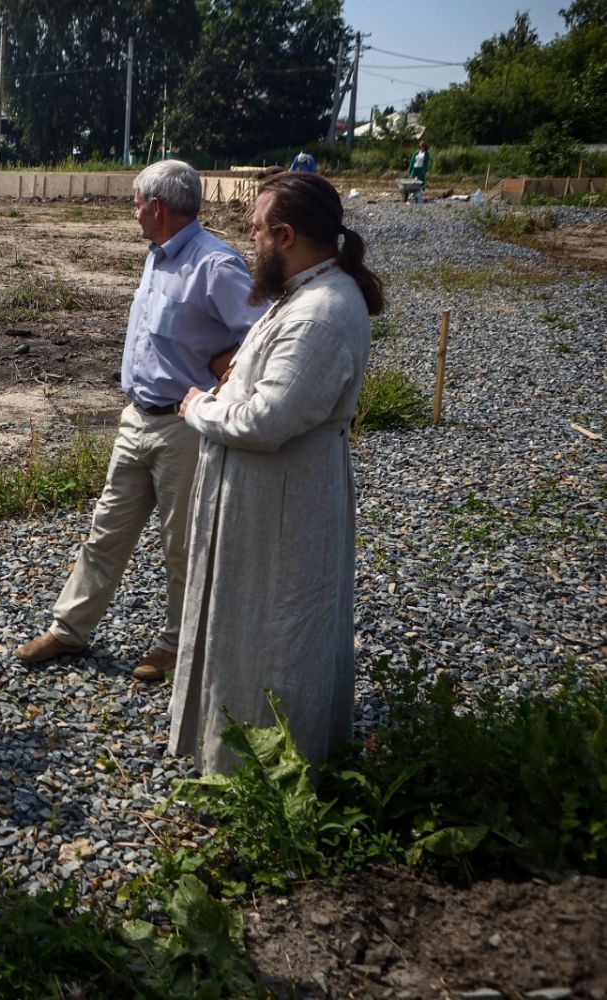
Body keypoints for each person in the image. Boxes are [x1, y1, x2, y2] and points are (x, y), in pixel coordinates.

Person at [15, 160, 264, 681]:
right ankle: (69, 629)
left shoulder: (215, 265)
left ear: (157, 207)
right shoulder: (158, 256)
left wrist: (220, 369)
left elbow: (262, 341)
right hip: (137, 418)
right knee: (106, 531)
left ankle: (176, 646)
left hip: (184, 427)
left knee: (182, 543)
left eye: (135, 203)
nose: (131, 212)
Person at [171, 172, 383, 776]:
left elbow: (268, 419)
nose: (249, 240)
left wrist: (199, 407)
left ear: (285, 236)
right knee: (247, 621)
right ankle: (237, 757)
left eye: (256, 229)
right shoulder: (305, 293)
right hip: (269, 495)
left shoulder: (320, 312)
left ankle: (270, 772)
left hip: (285, 500)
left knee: (279, 627)